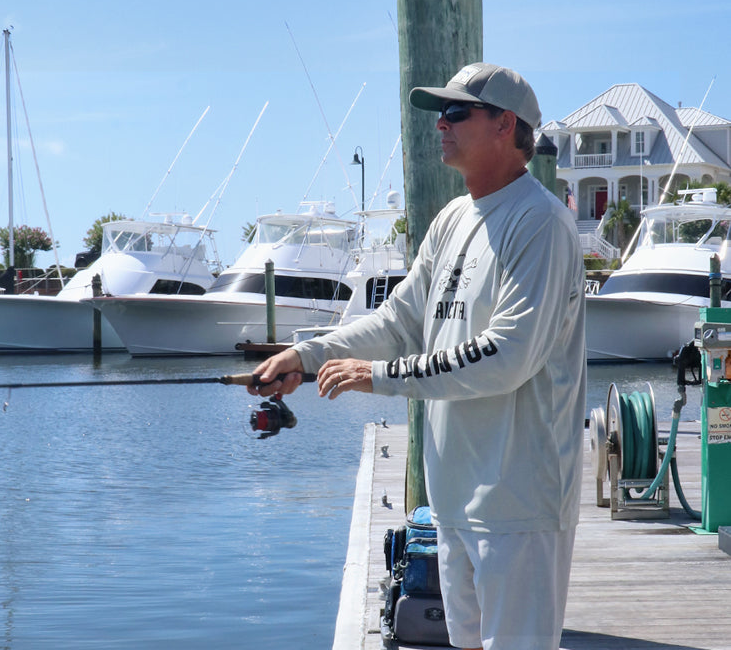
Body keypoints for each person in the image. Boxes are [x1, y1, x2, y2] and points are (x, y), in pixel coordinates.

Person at [248, 62, 586, 650]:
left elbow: (506, 356)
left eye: (456, 112)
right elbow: (399, 321)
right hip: (454, 500)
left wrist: (377, 378)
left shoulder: (541, 224)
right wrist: (305, 355)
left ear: (505, 124)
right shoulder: (452, 220)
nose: (441, 125)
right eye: (439, 114)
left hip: (520, 507)